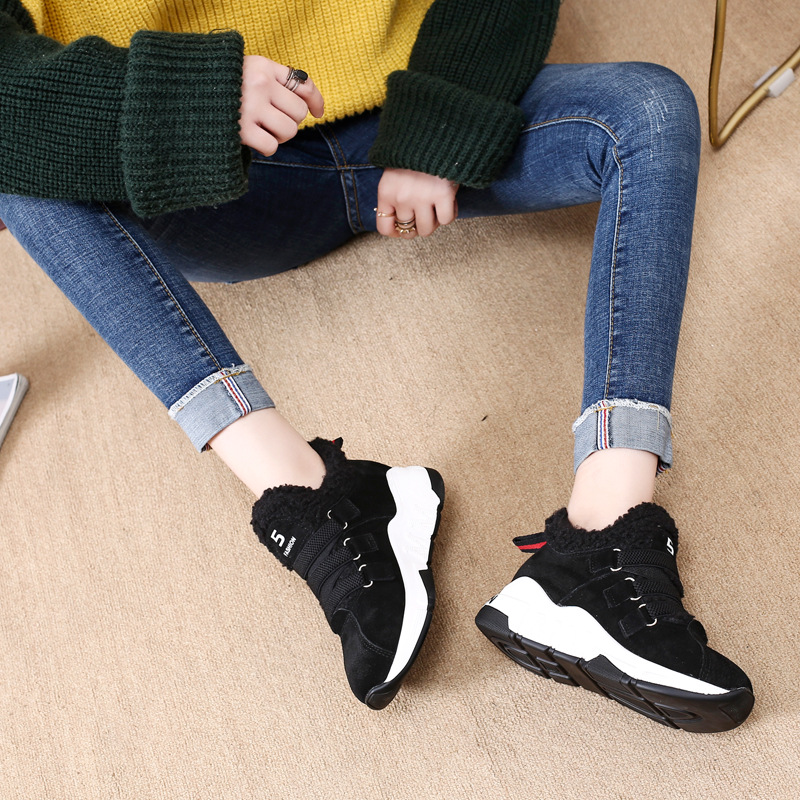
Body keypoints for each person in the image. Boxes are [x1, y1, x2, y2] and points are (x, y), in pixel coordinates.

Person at [0, 0, 754, 730]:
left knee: (649, 110)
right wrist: (189, 102)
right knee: (22, 171)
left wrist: (438, 130)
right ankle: (315, 496)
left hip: (404, 100)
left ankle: (599, 541)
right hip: (212, 166)